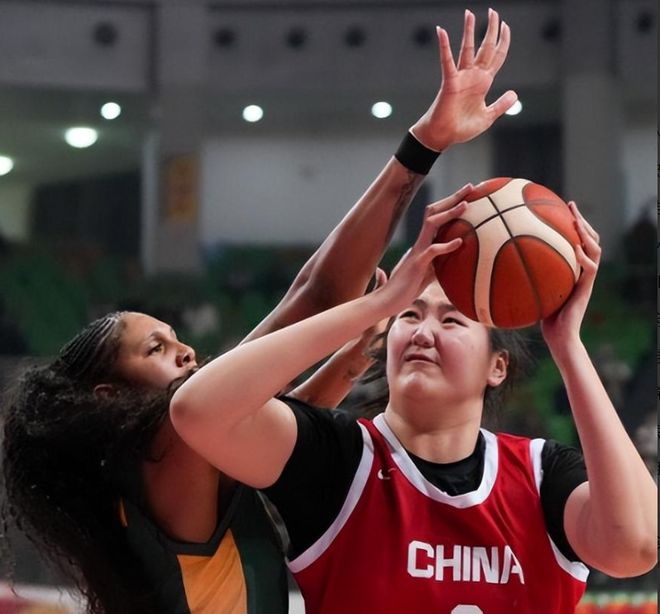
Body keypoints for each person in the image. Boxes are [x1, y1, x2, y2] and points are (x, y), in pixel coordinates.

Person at [0, 9, 518, 614]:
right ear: (109, 397)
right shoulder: (167, 450)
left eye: (174, 337)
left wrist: (351, 360)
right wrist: (422, 150)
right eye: (155, 349)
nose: (185, 351)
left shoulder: (164, 468)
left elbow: (285, 420)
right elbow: (316, 294)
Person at [170, 199, 658, 613]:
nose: (423, 332)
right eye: (410, 313)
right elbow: (198, 411)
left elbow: (635, 548)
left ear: (498, 366)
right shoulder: (339, 457)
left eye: (451, 321)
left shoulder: (542, 474)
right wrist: (377, 305)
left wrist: (567, 344)